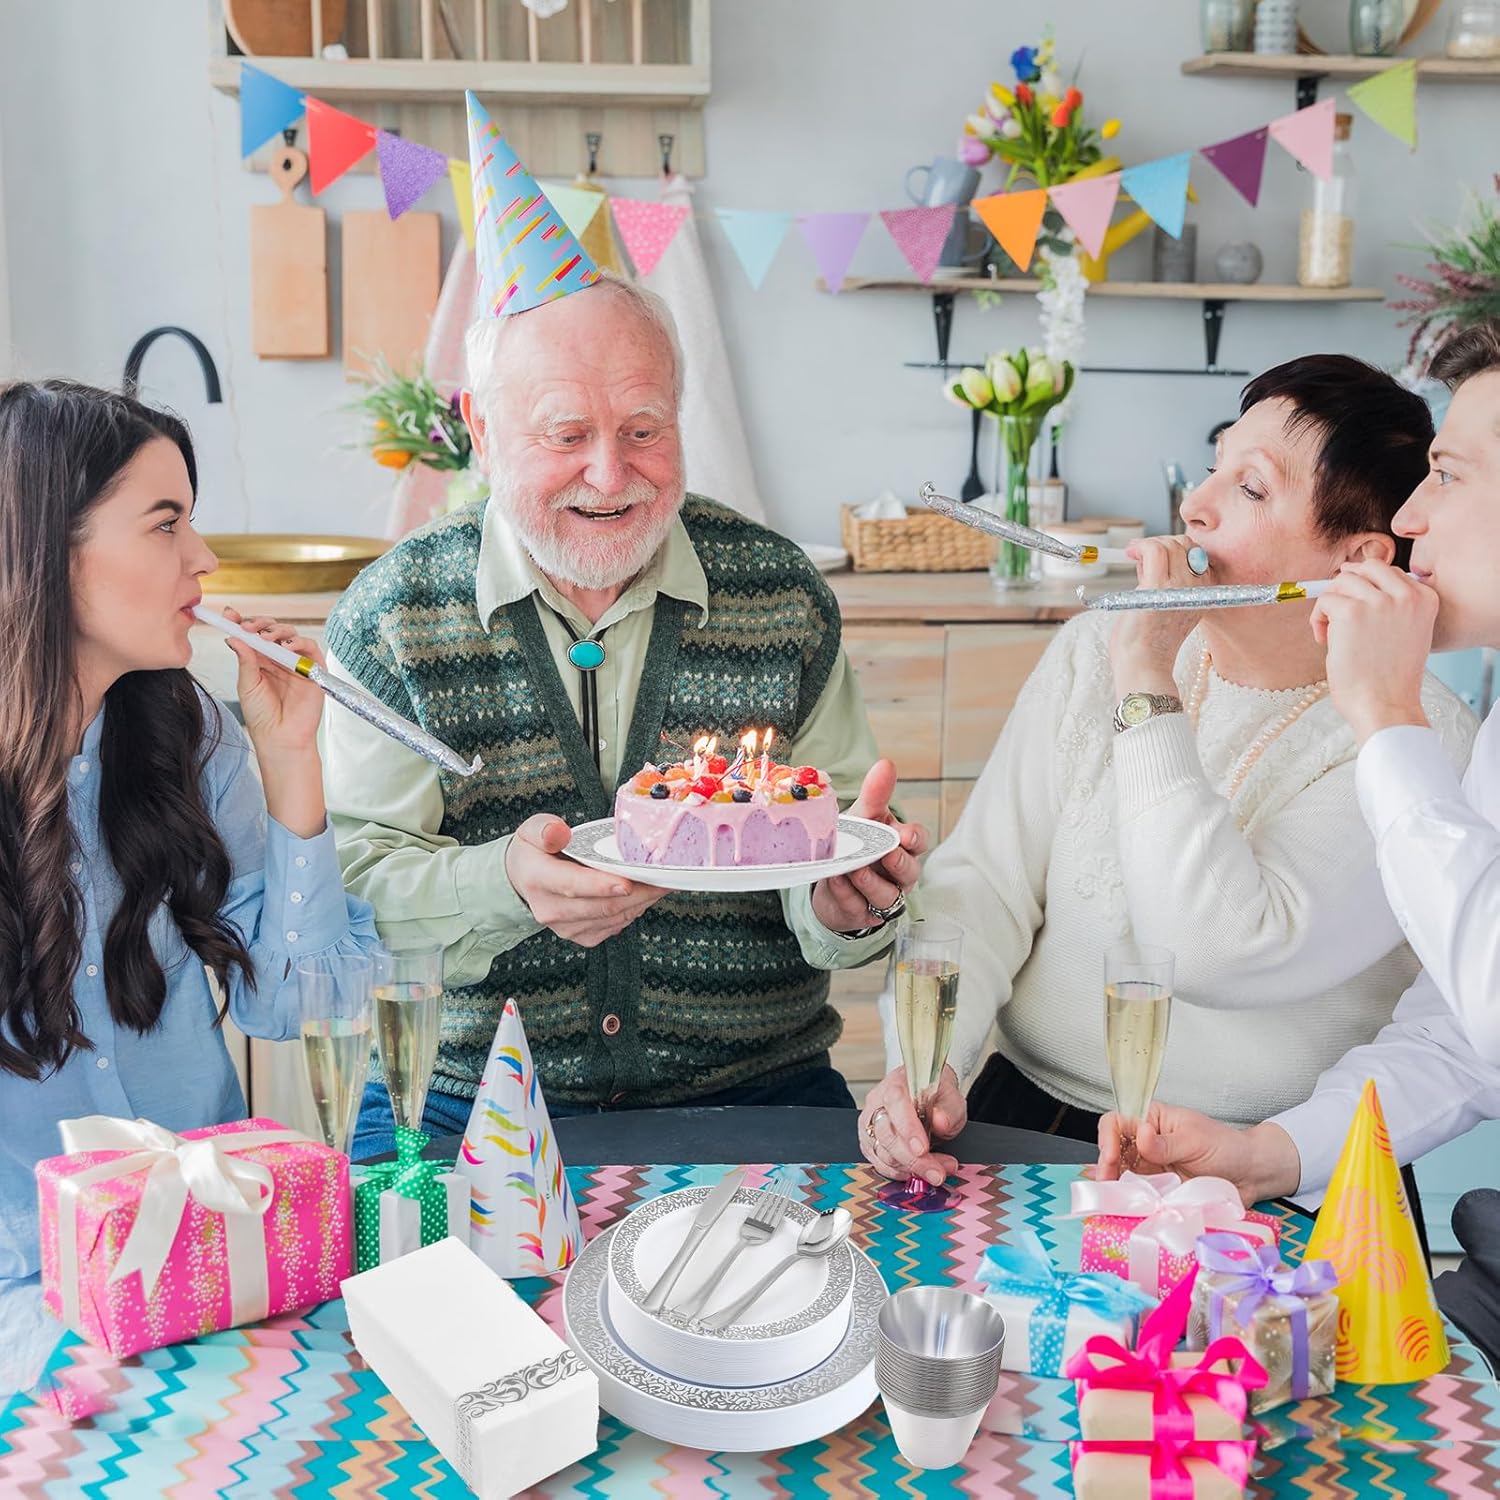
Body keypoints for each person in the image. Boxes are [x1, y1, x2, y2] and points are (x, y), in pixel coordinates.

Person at [328, 272, 925, 1160]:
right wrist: (508, 886)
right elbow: (350, 903)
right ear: (482, 432)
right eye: (567, 435)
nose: (610, 476)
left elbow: (830, 848)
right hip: (460, 1093)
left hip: (754, 1090)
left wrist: (843, 908)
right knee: (398, 1294)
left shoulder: (780, 593)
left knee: (836, 1285)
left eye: (644, 432)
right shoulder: (393, 618)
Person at [859, 354, 1477, 1188]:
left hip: (1264, 1167)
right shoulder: (1094, 648)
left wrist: (1146, 685)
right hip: (1022, 1113)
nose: (1196, 504)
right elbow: (984, 884)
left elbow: (1214, 950)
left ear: (1356, 557)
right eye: (1217, 463)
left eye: (1251, 489)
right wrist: (930, 1064)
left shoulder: (1418, 737)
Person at [0, 380, 380, 1396]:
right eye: (166, 523)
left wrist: (292, 758)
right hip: (27, 1305)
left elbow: (301, 1002)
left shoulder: (191, 738)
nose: (205, 560)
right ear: (44, 548)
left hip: (223, 1265)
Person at [1095, 324, 1500, 1209]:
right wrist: (1265, 1156)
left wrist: (1388, 718)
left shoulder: (1421, 726)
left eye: (1451, 474)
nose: (1409, 517)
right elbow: (1463, 1041)